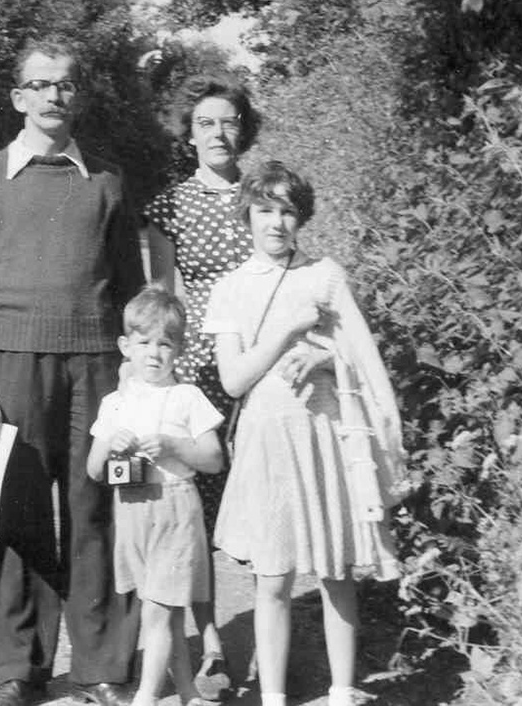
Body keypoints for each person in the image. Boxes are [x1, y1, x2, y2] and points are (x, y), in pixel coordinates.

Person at [0, 40, 144, 706]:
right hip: (11, 368)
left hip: (98, 367)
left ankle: (103, 666)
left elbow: (132, 292)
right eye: (42, 84)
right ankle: (18, 670)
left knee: (99, 507)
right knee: (14, 514)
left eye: (67, 84)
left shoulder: (107, 181)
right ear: (19, 97)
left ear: (80, 96)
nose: (55, 95)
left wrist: (136, 381)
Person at [203, 161, 406, 706]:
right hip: (268, 441)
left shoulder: (325, 276)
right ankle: (273, 696)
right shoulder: (229, 289)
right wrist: (287, 330)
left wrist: (325, 357)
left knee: (335, 567)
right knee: (272, 577)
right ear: (247, 214)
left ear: (302, 217)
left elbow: (364, 359)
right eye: (265, 210)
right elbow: (233, 379)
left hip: (324, 436)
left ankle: (342, 689)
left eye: (287, 211)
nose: (276, 223)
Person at [140, 76, 257, 699]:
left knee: (262, 494)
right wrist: (151, 377)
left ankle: (271, 634)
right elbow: (162, 297)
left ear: (244, 128)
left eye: (229, 121)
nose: (218, 133)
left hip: (260, 360)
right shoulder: (169, 205)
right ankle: (212, 646)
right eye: (206, 123)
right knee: (198, 509)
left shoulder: (263, 195)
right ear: (189, 134)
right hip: (201, 368)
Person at [87, 286, 225, 706]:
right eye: (144, 342)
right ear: (125, 347)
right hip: (132, 510)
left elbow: (214, 459)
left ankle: (145, 697)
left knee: (159, 611)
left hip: (174, 509)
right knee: (164, 608)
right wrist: (112, 444)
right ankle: (187, 692)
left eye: (165, 344)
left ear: (178, 349)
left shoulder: (187, 397)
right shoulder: (114, 403)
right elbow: (94, 470)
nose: (154, 353)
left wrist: (173, 444)